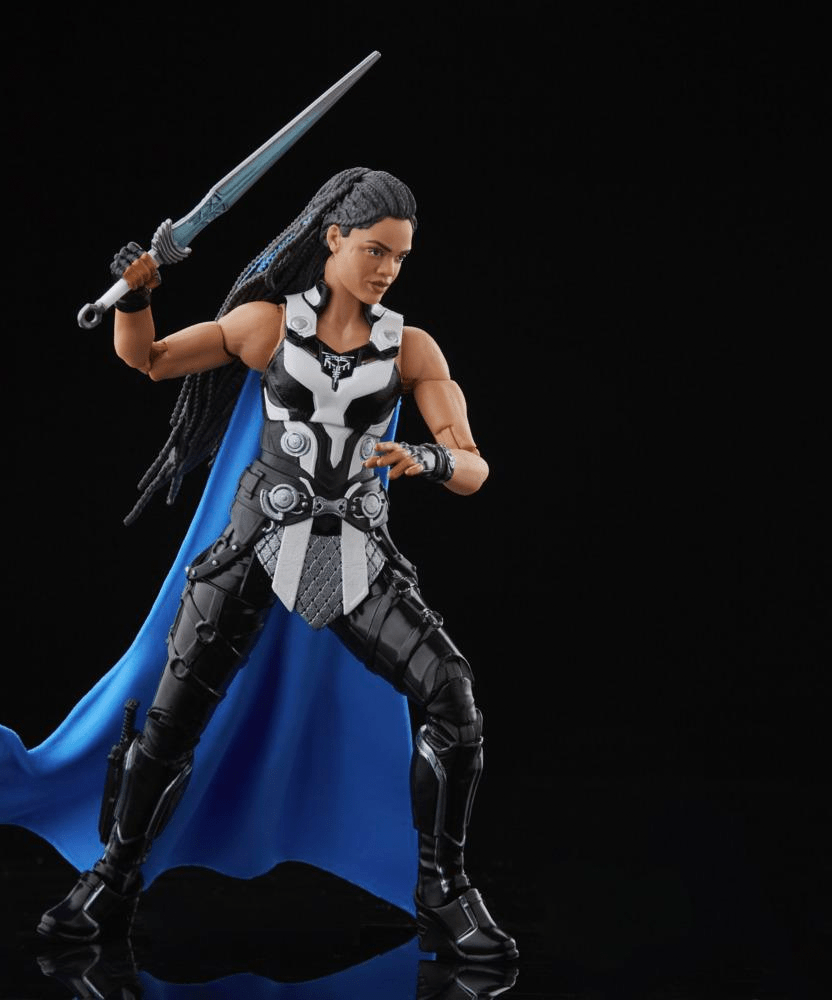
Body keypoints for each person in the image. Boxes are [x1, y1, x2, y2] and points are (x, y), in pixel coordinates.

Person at [33, 167, 517, 961]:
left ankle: (444, 890)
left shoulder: (409, 348)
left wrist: (428, 459)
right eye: (374, 250)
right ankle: (114, 875)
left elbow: (474, 466)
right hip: (258, 541)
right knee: (170, 721)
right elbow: (149, 359)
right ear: (334, 238)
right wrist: (135, 299)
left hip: (354, 552)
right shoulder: (266, 326)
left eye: (399, 256)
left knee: (453, 697)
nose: (388, 269)